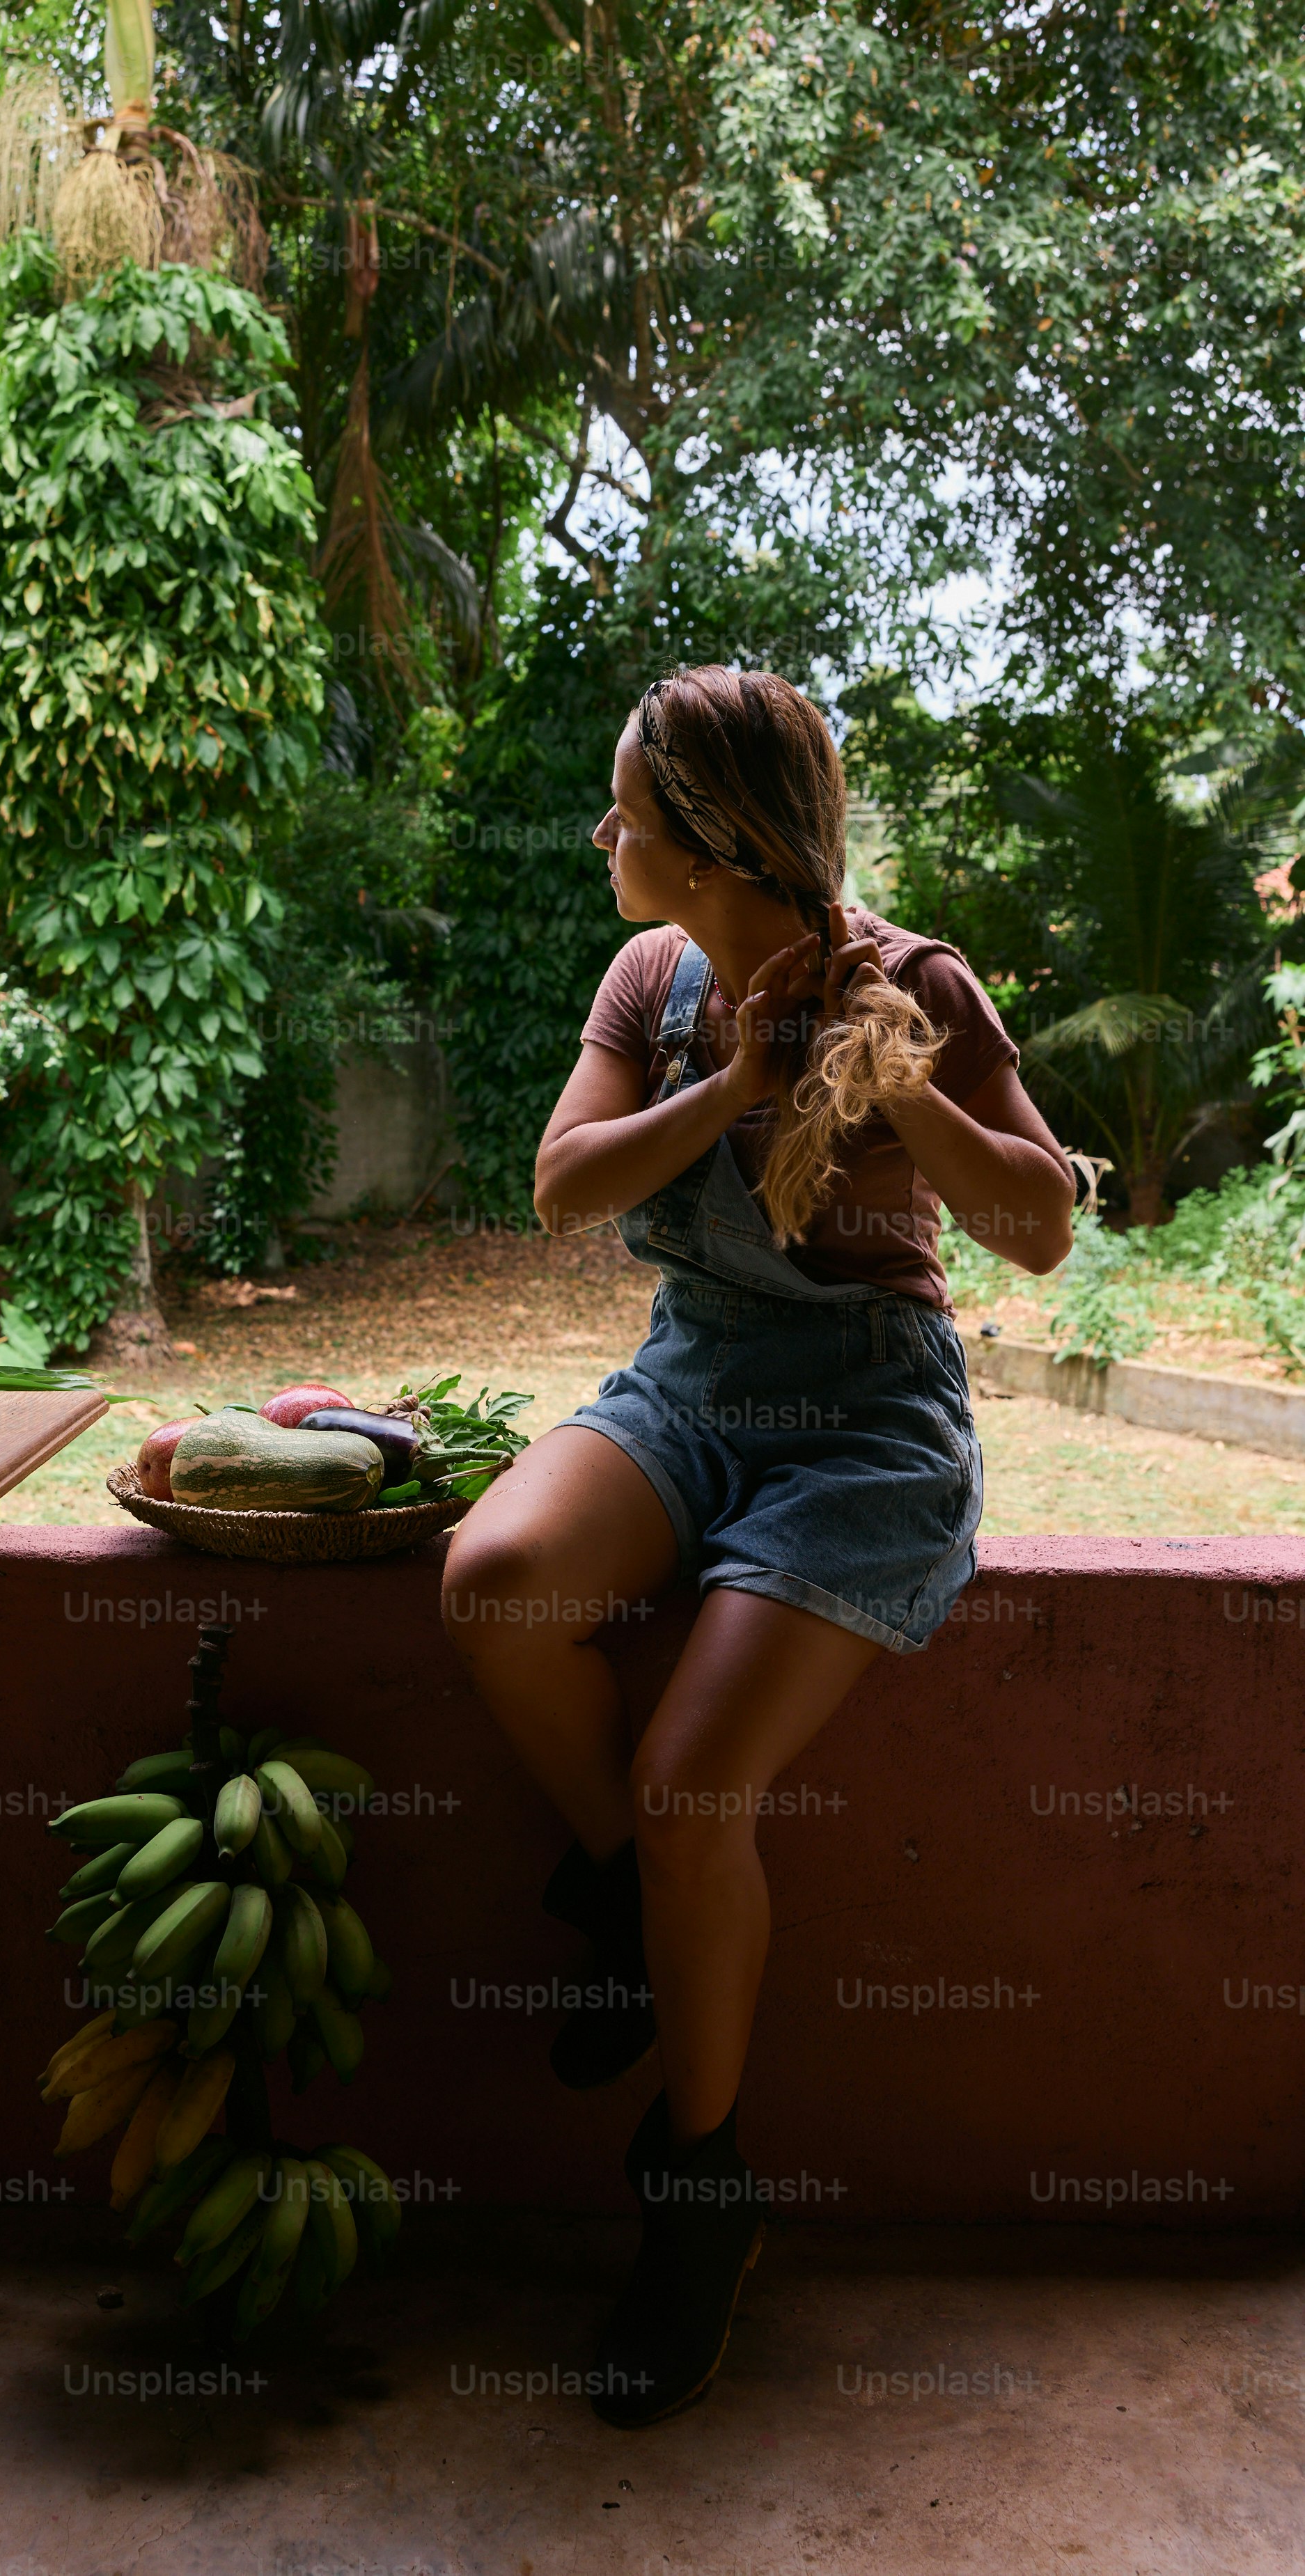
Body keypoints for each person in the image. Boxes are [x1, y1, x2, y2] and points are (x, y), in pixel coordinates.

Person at [441, 666, 1075, 2428]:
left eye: (627, 811)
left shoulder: (918, 975)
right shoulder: (652, 978)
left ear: (712, 836)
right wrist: (729, 1087)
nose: (604, 834)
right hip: (692, 1378)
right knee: (494, 1587)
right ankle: (632, 1916)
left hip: (863, 1419)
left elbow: (1040, 1230)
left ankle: (700, 2191)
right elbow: (565, 1186)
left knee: (690, 1783)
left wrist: (904, 1085)